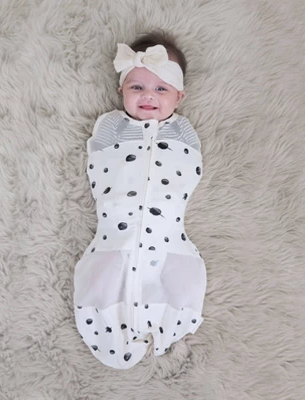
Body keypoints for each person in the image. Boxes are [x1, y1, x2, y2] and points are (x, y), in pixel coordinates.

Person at [73, 31, 207, 369]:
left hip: (168, 235)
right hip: (115, 233)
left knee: (182, 278)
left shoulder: (182, 132)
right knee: (103, 276)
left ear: (179, 96)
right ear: (121, 90)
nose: (148, 95)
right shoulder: (112, 128)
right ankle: (107, 327)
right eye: (137, 87)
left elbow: (187, 176)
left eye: (161, 89)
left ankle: (168, 327)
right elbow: (99, 166)